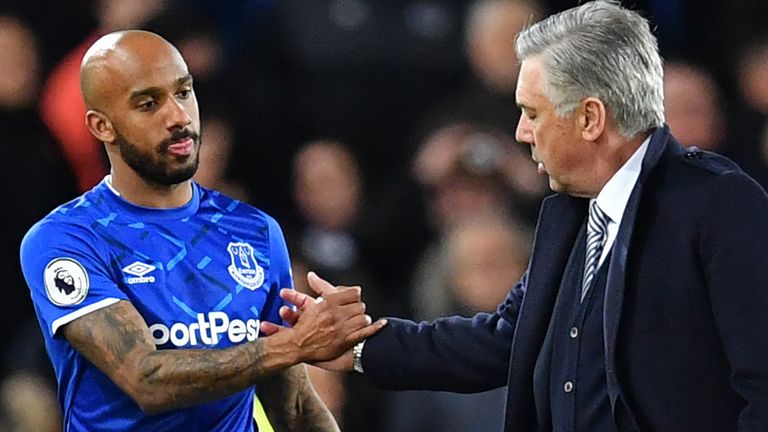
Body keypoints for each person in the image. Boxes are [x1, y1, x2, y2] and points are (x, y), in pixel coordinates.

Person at [266, 1, 768, 430]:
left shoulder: (718, 205)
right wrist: (357, 348)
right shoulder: (568, 219)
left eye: (532, 113)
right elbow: (502, 339)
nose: (521, 134)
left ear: (590, 118)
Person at [19, 30, 385, 432]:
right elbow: (146, 379)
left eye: (183, 93)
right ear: (102, 125)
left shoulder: (255, 233)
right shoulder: (69, 239)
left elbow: (294, 405)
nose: (178, 117)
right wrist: (295, 344)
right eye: (148, 103)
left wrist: (294, 350)